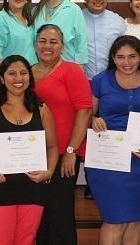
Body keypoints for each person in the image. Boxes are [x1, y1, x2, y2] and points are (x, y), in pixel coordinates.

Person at [0, 56, 58, 245]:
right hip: (0, 188)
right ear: (2, 78)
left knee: (26, 241)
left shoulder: (42, 109)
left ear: (30, 77)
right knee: (0, 241)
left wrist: (49, 171)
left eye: (23, 73)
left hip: (33, 188)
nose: (18, 78)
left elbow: (52, 146)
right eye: (11, 73)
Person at [87, 35, 140, 245]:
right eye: (120, 57)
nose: (126, 62)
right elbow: (86, 115)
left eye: (131, 56)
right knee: (113, 220)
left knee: (136, 220)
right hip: (107, 159)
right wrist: (93, 119)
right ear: (113, 57)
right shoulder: (100, 79)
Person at [31, 24, 92, 245]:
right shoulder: (27, 72)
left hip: (65, 153)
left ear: (62, 46)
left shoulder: (72, 70)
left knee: (61, 211)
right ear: (35, 44)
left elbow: (85, 110)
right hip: (35, 153)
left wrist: (71, 151)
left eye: (53, 42)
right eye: (43, 41)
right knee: (39, 211)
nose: (47, 46)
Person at [33, 0, 88, 67]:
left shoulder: (74, 10)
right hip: (41, 70)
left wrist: (79, 71)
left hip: (66, 69)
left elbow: (81, 45)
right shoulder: (36, 11)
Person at [82, 0, 127, 79]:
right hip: (83, 80)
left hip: (112, 79)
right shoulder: (76, 19)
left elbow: (125, 51)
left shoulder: (118, 21)